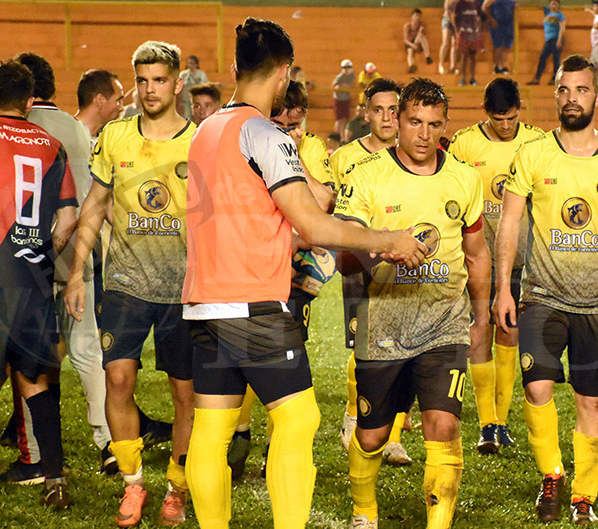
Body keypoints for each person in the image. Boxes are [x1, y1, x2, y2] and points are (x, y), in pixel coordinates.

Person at [181, 18, 424, 529]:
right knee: (297, 418)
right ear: (284, 72)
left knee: (212, 427)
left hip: (203, 300)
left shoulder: (205, 130)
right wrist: (390, 242)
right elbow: (314, 225)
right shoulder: (264, 132)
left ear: (235, 68)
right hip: (255, 302)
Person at [494, 55, 598, 525]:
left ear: (597, 96)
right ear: (555, 95)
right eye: (564, 90)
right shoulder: (531, 155)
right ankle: (552, 474)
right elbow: (509, 224)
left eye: (582, 90)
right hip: (541, 296)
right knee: (538, 388)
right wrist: (505, 288)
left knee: (591, 400)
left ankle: (584, 495)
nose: (572, 98)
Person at [334, 77, 486, 529]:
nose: (423, 134)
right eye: (414, 122)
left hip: (445, 324)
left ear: (445, 125)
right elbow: (343, 259)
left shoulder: (464, 178)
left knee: (444, 426)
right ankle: (364, 510)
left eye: (434, 124)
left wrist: (480, 316)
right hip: (382, 324)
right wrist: (384, 246)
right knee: (373, 433)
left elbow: (476, 254)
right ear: (396, 120)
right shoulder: (366, 175)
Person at [64, 40, 197, 527]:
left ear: (177, 83)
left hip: (183, 289)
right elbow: (94, 209)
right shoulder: (115, 138)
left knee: (186, 394)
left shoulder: (198, 141)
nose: (149, 90)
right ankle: (133, 483)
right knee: (118, 379)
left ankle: (176, 489)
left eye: (159, 80)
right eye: (141, 81)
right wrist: (77, 273)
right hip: (123, 284)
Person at [0, 59, 78, 516]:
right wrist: (40, 254)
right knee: (35, 382)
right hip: (35, 279)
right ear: (31, 101)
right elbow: (69, 218)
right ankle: (55, 479)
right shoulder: (54, 145)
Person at [225, 78, 339, 479]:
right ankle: (238, 431)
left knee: (285, 363)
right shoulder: (253, 140)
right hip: (255, 268)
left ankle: (276, 446)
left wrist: (295, 153)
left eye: (297, 124)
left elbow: (323, 201)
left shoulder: (313, 150)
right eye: (283, 124)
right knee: (243, 361)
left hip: (294, 275)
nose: (291, 132)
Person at [12, 52, 108, 482]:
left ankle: (33, 452)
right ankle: (109, 442)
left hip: (33, 252)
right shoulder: (75, 127)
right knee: (88, 351)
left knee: (31, 358)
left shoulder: (22, 130)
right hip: (80, 251)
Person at [448, 78, 544, 454]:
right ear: (484, 112)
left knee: (509, 332)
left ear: (521, 109)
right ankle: (487, 422)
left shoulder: (537, 142)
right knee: (479, 329)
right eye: (497, 119)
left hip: (520, 259)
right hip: (474, 258)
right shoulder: (465, 144)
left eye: (511, 118)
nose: (505, 125)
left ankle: (501, 422)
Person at [331, 78, 416, 467]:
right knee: (363, 347)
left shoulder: (416, 155)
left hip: (407, 266)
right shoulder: (345, 158)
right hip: (361, 265)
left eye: (393, 110)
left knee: (404, 346)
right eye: (378, 110)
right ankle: (355, 415)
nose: (386, 117)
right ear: (366, 113)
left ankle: (394, 434)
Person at [75, 69, 124, 138]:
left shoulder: (107, 141)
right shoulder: (65, 137)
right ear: (100, 100)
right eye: (118, 101)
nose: (122, 108)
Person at [528, 0, 566, 86]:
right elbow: (537, 5)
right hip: (548, 40)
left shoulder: (559, 15)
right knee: (543, 58)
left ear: (559, 6)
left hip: (556, 39)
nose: (553, 6)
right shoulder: (547, 12)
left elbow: (562, 28)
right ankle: (537, 78)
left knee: (555, 59)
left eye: (556, 4)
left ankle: (555, 79)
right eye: (552, 4)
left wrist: (559, 41)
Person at [453, 0, 484, 86]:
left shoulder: (476, 4)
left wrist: (479, 31)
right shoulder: (460, 4)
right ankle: (462, 78)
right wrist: (457, 31)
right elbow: (454, 17)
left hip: (474, 32)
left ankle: (472, 78)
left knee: (473, 56)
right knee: (463, 56)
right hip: (463, 32)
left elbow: (479, 18)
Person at [484, 0, 515, 74]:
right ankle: (496, 66)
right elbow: (484, 7)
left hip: (508, 24)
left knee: (506, 45)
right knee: (498, 45)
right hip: (498, 23)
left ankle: (502, 66)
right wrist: (491, 19)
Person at [177, 55, 208, 120]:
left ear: (196, 64)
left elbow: (205, 86)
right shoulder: (183, 74)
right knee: (187, 118)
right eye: (189, 63)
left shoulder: (201, 74)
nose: (190, 65)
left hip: (198, 102)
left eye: (192, 63)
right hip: (186, 101)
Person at [404, 8, 433, 73]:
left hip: (418, 42)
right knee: (410, 51)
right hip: (410, 43)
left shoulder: (421, 25)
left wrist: (416, 42)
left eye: (419, 16)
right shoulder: (407, 26)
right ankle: (411, 65)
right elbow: (405, 40)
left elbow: (421, 35)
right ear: (412, 17)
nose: (418, 17)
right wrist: (413, 45)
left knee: (422, 37)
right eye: (416, 16)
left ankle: (427, 56)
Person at [333, 59, 357, 137]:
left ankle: (343, 136)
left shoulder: (352, 75)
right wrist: (342, 86)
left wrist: (345, 86)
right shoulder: (340, 77)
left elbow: (352, 85)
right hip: (339, 99)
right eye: (345, 68)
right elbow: (335, 85)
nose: (346, 70)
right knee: (339, 119)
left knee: (345, 119)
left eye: (348, 68)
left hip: (346, 99)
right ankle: (337, 136)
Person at [439, 0, 458, 75]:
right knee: (446, 42)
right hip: (448, 20)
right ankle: (441, 64)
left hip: (457, 20)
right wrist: (453, 24)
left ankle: (453, 66)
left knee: (455, 43)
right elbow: (447, 11)